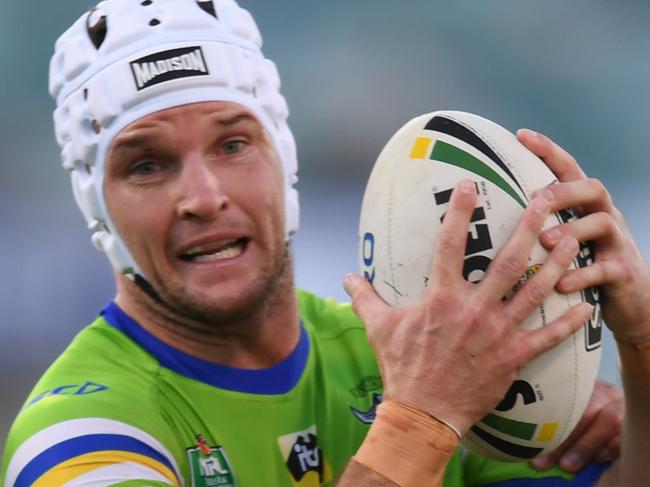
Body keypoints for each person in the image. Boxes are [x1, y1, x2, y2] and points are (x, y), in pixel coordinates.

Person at [0, 0, 643, 485]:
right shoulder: (75, 439)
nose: (201, 195)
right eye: (147, 166)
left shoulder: (413, 359)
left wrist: (641, 349)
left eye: (233, 144)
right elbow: (426, 405)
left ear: (284, 160)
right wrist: (421, 419)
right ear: (98, 206)